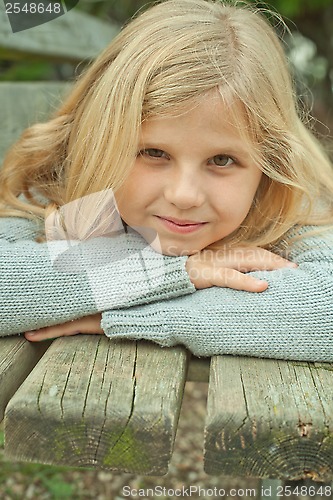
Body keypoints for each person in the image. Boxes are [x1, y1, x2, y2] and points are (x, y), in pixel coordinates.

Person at [0, 0, 332, 361]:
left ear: (267, 166)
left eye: (222, 160)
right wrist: (173, 269)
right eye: (154, 153)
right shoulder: (57, 181)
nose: (184, 195)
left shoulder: (283, 196)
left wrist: (144, 312)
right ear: (99, 140)